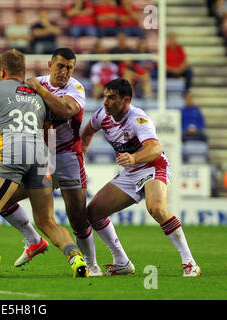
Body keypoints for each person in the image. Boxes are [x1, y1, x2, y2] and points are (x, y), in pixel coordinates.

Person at [0, 49, 88, 279]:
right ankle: (75, 257)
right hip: (42, 157)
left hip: (11, 152)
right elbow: (49, 128)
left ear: (1, 71)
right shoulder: (39, 97)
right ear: (24, 72)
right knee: (46, 220)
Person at [0, 48, 128, 276]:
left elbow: (66, 110)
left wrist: (38, 90)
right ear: (50, 65)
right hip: (39, 158)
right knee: (2, 199)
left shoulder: (74, 88)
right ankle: (32, 240)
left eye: (69, 67)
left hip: (67, 156)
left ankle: (92, 265)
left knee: (78, 217)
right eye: (60, 66)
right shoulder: (34, 83)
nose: (65, 71)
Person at [80, 78, 201, 277]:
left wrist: (134, 156)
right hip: (131, 172)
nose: (105, 102)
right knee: (93, 213)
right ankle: (121, 261)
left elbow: (155, 148)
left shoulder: (138, 118)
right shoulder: (102, 115)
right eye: (104, 97)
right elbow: (87, 133)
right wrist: (82, 153)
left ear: (125, 100)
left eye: (111, 98)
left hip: (153, 167)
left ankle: (189, 262)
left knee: (156, 209)